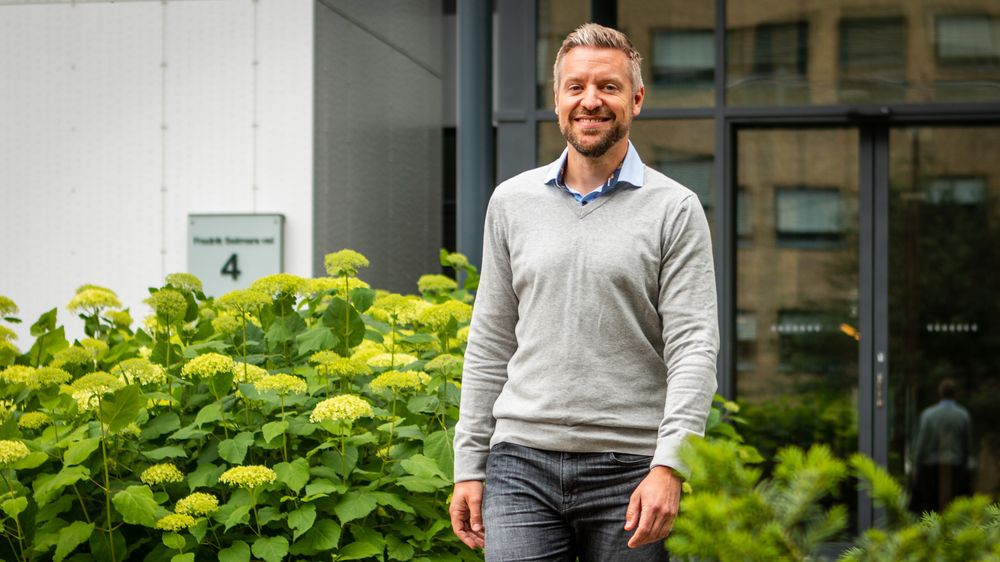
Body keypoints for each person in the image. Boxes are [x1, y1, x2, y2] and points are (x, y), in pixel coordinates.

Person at [449, 23, 719, 561]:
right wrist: (468, 465)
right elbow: (490, 341)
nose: (590, 101)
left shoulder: (675, 208)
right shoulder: (511, 202)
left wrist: (671, 465)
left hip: (631, 472)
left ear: (636, 99)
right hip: (520, 465)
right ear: (557, 99)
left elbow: (694, 347)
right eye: (576, 87)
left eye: (609, 87)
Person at [911, 378, 975, 513]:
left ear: (940, 394)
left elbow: (921, 444)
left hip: (931, 468)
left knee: (930, 509)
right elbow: (967, 446)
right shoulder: (963, 415)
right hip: (955, 466)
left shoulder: (928, 415)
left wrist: (916, 468)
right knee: (954, 511)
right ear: (955, 394)